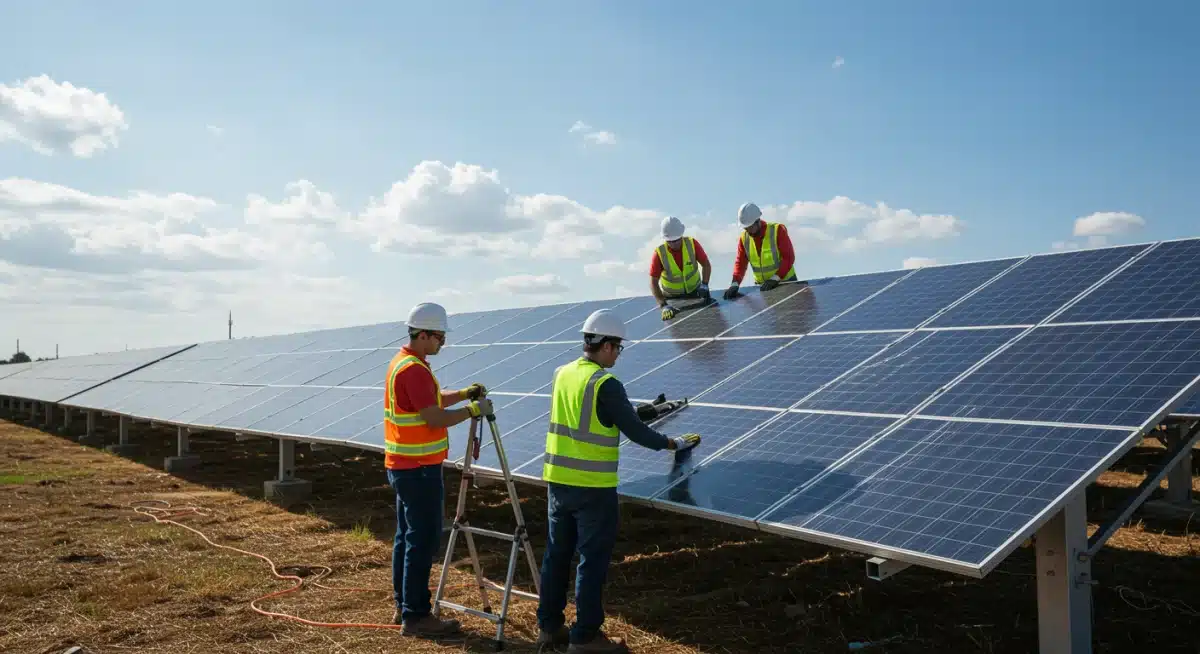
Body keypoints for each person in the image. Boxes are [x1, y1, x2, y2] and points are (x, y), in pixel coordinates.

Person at [536, 309, 702, 653]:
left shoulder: (562, 373)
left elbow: (594, 416)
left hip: (557, 482)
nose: (618, 354)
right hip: (593, 489)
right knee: (591, 561)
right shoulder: (605, 383)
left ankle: (549, 628)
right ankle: (585, 637)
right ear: (608, 345)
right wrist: (673, 443)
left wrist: (637, 410)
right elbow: (636, 432)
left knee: (556, 556)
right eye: (619, 348)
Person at [385, 302, 492, 638]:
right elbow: (433, 417)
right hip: (418, 470)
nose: (443, 343)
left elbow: (430, 401)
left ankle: (405, 607)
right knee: (422, 540)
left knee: (407, 538)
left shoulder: (406, 363)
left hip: (406, 467)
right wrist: (472, 409)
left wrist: (463, 394)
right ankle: (416, 616)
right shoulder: (413, 369)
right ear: (424, 334)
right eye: (440, 337)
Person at [723, 201, 799, 300]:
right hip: (764, 288)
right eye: (746, 228)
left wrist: (775, 278)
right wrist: (735, 283)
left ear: (757, 221)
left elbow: (788, 258)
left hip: (787, 284)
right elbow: (740, 263)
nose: (748, 231)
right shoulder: (744, 238)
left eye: (750, 227)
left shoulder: (777, 231)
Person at [649, 216, 712, 320]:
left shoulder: (692, 244)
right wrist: (663, 305)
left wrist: (704, 284)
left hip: (696, 293)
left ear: (681, 235)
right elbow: (653, 282)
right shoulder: (659, 254)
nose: (674, 244)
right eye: (670, 241)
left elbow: (706, 264)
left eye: (677, 240)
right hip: (672, 299)